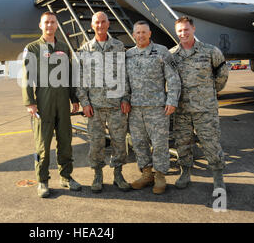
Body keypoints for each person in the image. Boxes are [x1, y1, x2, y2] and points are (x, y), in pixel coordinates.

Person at [21, 11, 81, 198]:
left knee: (65, 141)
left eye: (52, 22)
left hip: (63, 99)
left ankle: (66, 177)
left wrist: (74, 98)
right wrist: (30, 102)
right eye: (46, 22)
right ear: (41, 25)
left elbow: (70, 75)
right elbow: (26, 77)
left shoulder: (64, 46)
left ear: (56, 25)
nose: (49, 25)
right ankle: (42, 181)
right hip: (43, 100)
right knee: (43, 144)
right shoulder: (32, 48)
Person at [170, 16, 228, 193]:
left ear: (193, 29)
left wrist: (209, 93)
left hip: (205, 109)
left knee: (211, 143)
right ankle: (185, 173)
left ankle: (218, 178)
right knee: (182, 143)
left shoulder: (210, 51)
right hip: (182, 111)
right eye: (180, 30)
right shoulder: (172, 55)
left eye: (186, 29)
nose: (183, 33)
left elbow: (222, 74)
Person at [76, 11, 131, 193]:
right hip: (95, 107)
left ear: (108, 24)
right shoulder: (85, 50)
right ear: (92, 26)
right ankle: (97, 175)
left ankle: (118, 174)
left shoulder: (118, 46)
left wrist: (125, 97)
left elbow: (125, 75)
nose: (100, 25)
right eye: (96, 22)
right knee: (96, 143)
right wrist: (84, 102)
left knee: (119, 142)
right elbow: (80, 79)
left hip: (117, 106)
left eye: (103, 22)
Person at [126, 21, 181, 194]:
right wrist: (125, 100)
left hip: (157, 108)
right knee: (139, 143)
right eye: (137, 33)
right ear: (133, 35)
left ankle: (160, 176)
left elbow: (173, 78)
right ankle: (146, 174)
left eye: (144, 32)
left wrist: (172, 100)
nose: (140, 35)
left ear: (150, 34)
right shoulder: (128, 55)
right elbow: (125, 82)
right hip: (135, 109)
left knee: (159, 144)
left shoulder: (162, 52)